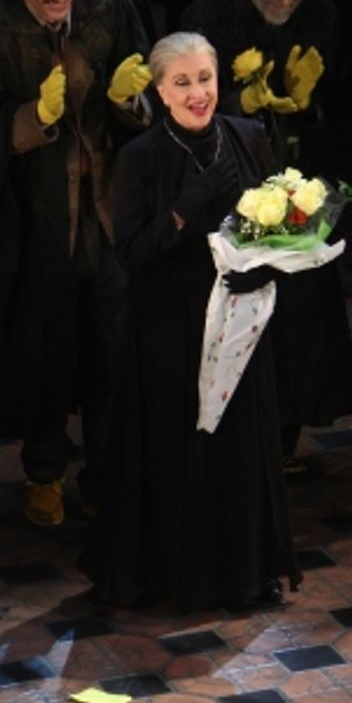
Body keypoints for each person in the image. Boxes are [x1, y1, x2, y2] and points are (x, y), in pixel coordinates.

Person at [0, 0, 152, 526]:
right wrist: (29, 118)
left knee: (113, 347)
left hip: (106, 213)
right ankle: (44, 472)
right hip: (37, 221)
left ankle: (108, 472)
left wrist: (129, 103)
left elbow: (145, 105)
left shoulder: (109, 14)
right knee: (44, 348)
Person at [93, 32, 299, 611]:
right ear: (159, 90)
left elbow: (278, 225)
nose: (197, 93)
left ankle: (245, 573)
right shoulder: (139, 158)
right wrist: (185, 206)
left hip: (238, 319)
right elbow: (130, 253)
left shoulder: (250, 135)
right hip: (170, 330)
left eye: (204, 79)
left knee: (239, 448)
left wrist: (267, 267)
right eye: (181, 82)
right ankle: (179, 576)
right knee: (180, 448)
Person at [181, 0, 352, 474]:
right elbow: (185, 103)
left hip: (297, 183)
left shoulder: (320, 15)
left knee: (299, 319)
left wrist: (307, 103)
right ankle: (229, 442)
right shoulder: (208, 15)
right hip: (229, 187)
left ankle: (284, 441)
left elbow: (338, 99)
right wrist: (237, 100)